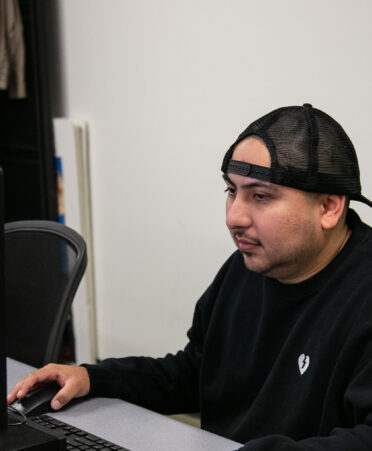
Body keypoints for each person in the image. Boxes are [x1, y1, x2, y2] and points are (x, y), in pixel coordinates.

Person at [8, 103, 372, 450]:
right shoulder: (246, 266)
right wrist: (94, 378)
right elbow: (195, 374)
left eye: (260, 196)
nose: (234, 217)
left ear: (329, 207)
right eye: (232, 191)